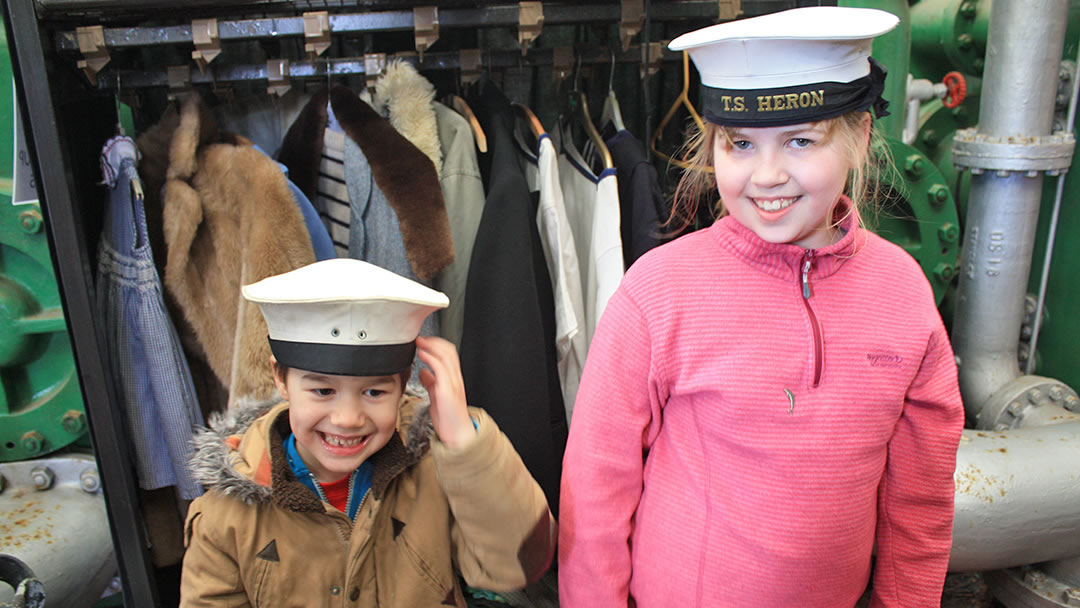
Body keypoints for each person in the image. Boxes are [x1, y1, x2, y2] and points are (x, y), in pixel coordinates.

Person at [558, 7, 964, 607]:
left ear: (860, 139)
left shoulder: (903, 293)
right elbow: (595, 487)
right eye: (740, 143)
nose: (767, 175)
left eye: (801, 141)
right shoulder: (659, 291)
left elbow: (921, 498)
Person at [179, 258, 555, 607]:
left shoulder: (437, 474)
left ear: (404, 383)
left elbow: (516, 567)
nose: (347, 418)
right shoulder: (225, 519)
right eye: (323, 391)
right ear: (281, 378)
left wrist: (466, 445)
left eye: (374, 392)